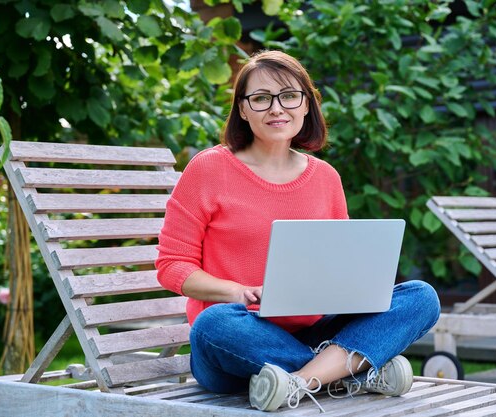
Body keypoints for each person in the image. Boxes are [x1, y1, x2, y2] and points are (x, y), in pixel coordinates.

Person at [156, 50, 440, 412]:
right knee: (213, 323)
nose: (277, 109)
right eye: (260, 99)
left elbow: (341, 266)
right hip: (240, 338)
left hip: (316, 328)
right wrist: (238, 291)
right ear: (242, 109)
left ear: (306, 105)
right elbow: (172, 266)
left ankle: (300, 382)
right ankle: (350, 373)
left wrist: (356, 288)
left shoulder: (325, 178)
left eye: (289, 96)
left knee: (420, 296)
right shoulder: (209, 169)